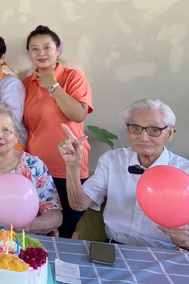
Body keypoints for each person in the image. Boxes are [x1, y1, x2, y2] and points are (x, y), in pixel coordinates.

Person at [59, 99, 189, 250]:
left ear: (169, 133)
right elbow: (79, 204)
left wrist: (185, 241)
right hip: (114, 248)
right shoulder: (113, 160)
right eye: (136, 128)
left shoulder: (185, 172)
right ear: (128, 130)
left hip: (164, 252)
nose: (143, 137)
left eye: (154, 130)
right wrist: (73, 165)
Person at [22, 25, 92, 238]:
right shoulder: (26, 84)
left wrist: (53, 86)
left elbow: (78, 114)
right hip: (36, 169)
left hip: (68, 166)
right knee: (38, 232)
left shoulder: (73, 77)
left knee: (68, 232)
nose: (41, 53)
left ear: (58, 50)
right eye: (34, 49)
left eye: (47, 47)